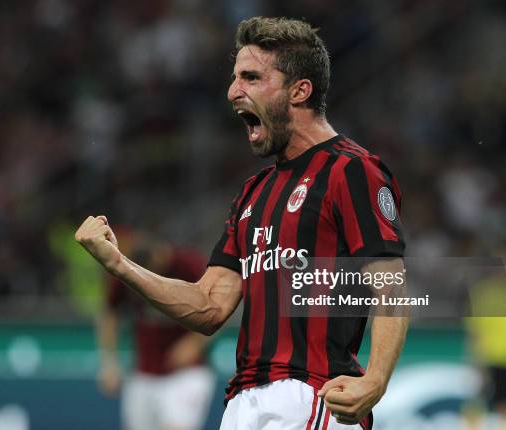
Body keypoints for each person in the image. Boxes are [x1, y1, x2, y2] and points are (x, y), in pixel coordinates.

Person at [76, 16, 408, 430]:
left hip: (311, 393)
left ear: (300, 90)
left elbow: (390, 283)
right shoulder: (253, 193)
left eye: (251, 78)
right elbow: (209, 305)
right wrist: (119, 264)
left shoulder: (351, 170)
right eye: (235, 78)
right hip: (241, 403)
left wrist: (375, 379)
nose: (234, 91)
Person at [96, 231, 216, 430]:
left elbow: (219, 306)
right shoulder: (128, 269)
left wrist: (194, 343)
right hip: (144, 373)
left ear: (161, 254)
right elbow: (109, 313)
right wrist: (109, 362)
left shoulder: (190, 265)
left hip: (186, 373)